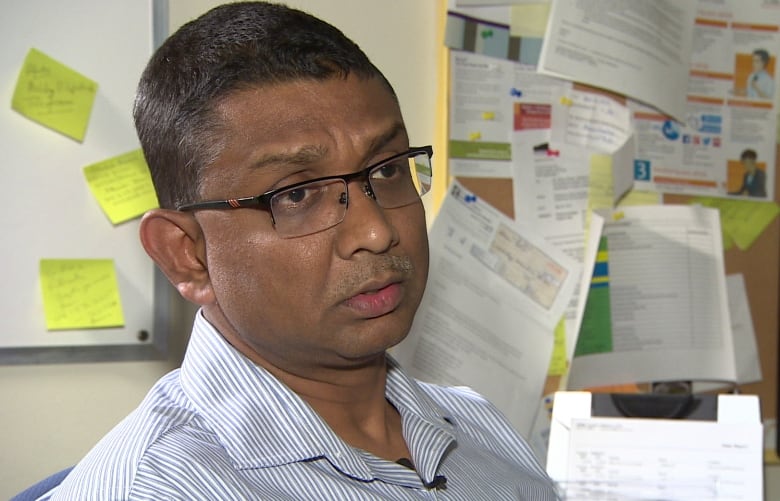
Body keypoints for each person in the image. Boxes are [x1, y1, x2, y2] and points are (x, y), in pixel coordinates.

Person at [45, 2, 559, 499]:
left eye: (387, 169)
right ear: (188, 254)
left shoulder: (479, 426)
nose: (376, 232)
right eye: (295, 195)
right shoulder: (156, 489)